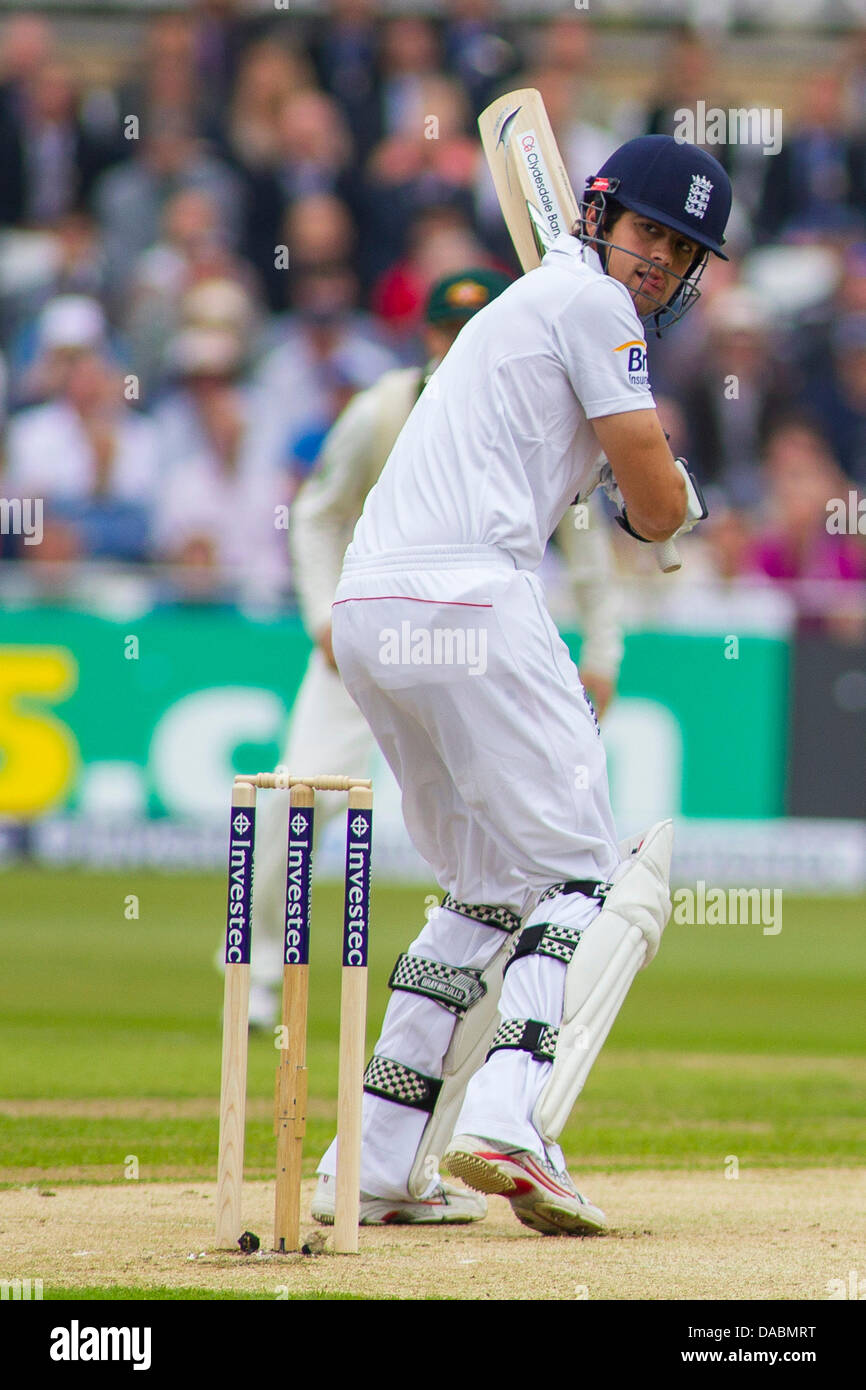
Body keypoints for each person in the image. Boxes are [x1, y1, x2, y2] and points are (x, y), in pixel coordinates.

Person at [310, 135, 732, 1234]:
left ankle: (377, 1157)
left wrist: (654, 496)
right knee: (582, 872)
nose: (656, 263)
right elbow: (644, 493)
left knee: (484, 891)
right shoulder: (592, 308)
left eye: (680, 252)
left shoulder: (535, 304)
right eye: (647, 233)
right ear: (597, 216)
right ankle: (505, 1117)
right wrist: (674, 499)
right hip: (468, 597)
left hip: (372, 610)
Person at [247, 268, 625, 1030]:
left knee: (500, 839)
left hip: (480, 633)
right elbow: (317, 514)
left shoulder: (537, 410)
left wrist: (603, 653)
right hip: (364, 634)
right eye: (446, 332)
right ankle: (261, 977)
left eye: (472, 329)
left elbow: (588, 551)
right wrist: (321, 614)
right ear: (427, 337)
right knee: (297, 801)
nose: (459, 345)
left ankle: (494, 994)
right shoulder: (383, 408)